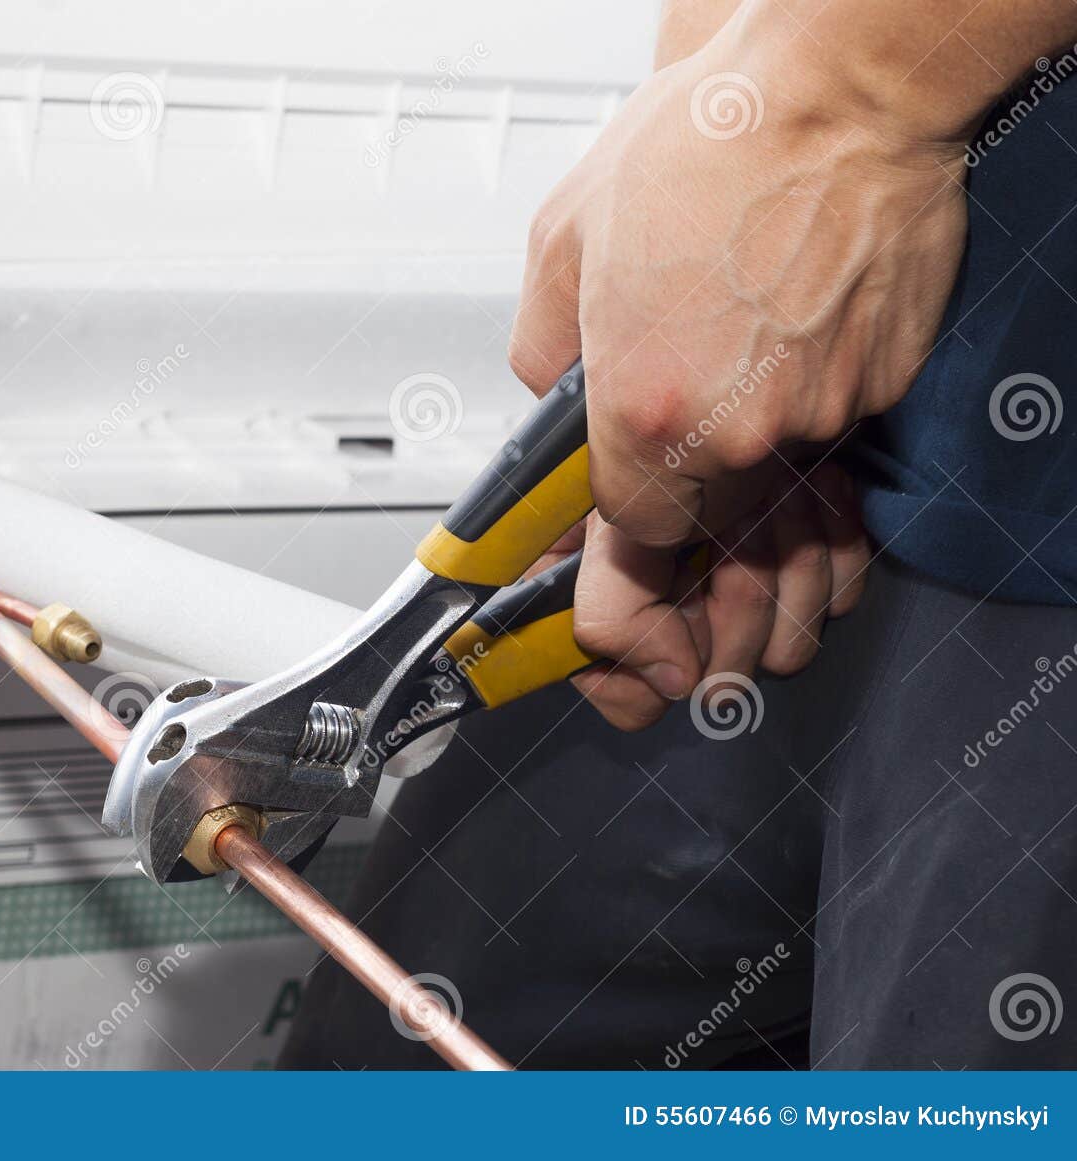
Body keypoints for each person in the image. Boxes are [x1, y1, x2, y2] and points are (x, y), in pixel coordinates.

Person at [281, 0, 1077, 1068]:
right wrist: (711, 133)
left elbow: (840, 101)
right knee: (401, 1056)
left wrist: (846, 99)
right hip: (839, 422)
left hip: (1039, 539)